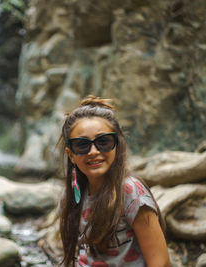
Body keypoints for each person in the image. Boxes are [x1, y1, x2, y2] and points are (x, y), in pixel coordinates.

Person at [58, 95, 170, 267]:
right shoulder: (71, 194)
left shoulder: (130, 191)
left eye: (103, 142)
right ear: (70, 154)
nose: (93, 151)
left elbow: (160, 263)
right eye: (82, 145)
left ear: (117, 145)